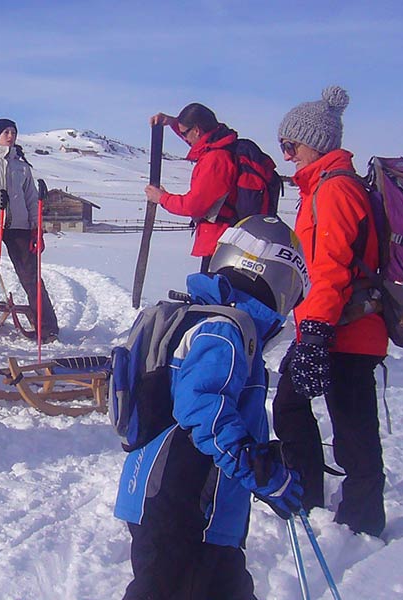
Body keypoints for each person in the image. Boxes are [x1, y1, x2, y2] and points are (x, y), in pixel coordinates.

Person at [114, 216, 309, 599]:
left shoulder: (215, 321)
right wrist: (258, 469)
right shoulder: (225, 330)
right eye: (286, 285)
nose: (285, 301)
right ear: (260, 271)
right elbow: (202, 408)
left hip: (180, 502)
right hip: (185, 505)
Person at [272, 85, 390, 538]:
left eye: (291, 145)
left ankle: (361, 521)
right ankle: (308, 497)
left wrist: (316, 333)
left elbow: (331, 269)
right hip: (334, 326)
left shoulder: (335, 191)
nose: (287, 155)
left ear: (315, 142)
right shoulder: (321, 188)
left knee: (352, 425)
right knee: (296, 406)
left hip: (346, 329)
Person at [145, 103, 258, 272]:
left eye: (185, 134)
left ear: (197, 130)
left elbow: (195, 205)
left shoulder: (216, 159)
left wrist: (162, 198)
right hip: (231, 240)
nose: (185, 139)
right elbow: (199, 142)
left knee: (213, 294)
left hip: (221, 243)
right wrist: (173, 123)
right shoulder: (222, 144)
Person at [0, 118, 59, 342]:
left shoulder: (22, 166)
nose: (11, 136)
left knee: (31, 277)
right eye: (6, 132)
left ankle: (47, 326)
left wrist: (36, 227)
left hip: (19, 226)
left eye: (13, 132)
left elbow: (32, 199)